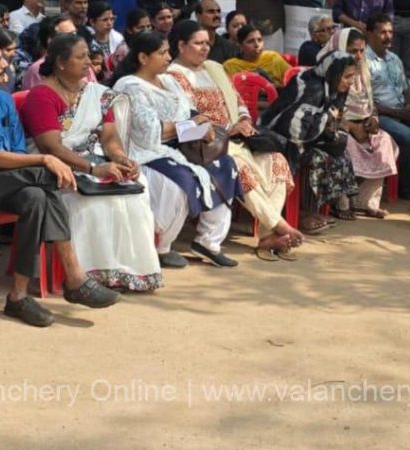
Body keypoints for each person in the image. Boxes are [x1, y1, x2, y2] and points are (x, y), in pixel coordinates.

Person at [0, 32, 121, 326]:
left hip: (5, 176)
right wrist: (41, 158)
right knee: (48, 171)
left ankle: (19, 296)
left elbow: (13, 148)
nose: (5, 63)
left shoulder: (2, 99)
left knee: (36, 196)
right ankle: (74, 277)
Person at [20, 33, 163, 290]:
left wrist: (120, 158)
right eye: (81, 56)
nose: (89, 61)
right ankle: (87, 275)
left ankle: (128, 272)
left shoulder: (96, 94)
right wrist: (94, 168)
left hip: (95, 158)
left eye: (89, 55)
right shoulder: (41, 96)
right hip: (56, 165)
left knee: (134, 185)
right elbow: (51, 146)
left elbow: (109, 136)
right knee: (88, 196)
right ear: (61, 63)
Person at [167, 20, 302, 258]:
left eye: (207, 43)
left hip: (237, 138)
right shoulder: (175, 76)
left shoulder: (213, 69)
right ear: (181, 45)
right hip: (206, 144)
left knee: (277, 161)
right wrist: (229, 128)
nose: (205, 48)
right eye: (198, 43)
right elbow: (189, 117)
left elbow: (237, 100)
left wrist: (244, 121)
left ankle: (268, 233)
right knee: (239, 168)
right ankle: (280, 227)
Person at [112, 31, 240, 268]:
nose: (168, 57)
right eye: (162, 53)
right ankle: (162, 246)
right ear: (143, 58)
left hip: (182, 144)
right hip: (147, 150)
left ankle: (209, 242)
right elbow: (149, 132)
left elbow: (187, 112)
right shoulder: (130, 86)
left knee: (225, 165)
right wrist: (193, 126)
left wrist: (203, 127)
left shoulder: (169, 80)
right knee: (182, 180)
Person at [260, 50, 359, 225]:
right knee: (317, 159)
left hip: (308, 137)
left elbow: (331, 120)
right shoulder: (311, 86)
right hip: (283, 138)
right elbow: (292, 124)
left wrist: (332, 129)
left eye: (352, 76)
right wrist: (327, 118)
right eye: (347, 77)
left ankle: (331, 206)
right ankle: (303, 213)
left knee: (342, 152)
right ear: (333, 73)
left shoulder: (335, 88)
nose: (350, 82)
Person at [327, 28, 398, 218]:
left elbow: (370, 104)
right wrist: (351, 128)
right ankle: (341, 202)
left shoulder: (364, 72)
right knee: (344, 144)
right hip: (336, 126)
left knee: (384, 141)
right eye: (352, 51)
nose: (358, 56)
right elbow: (327, 110)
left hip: (362, 126)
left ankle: (366, 201)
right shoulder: (331, 71)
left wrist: (373, 120)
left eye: (361, 50)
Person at [365, 13, 410, 200]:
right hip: (380, 115)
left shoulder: (394, 59)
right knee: (409, 138)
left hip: (402, 112)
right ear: (370, 34)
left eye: (391, 32)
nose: (388, 37)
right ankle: (404, 187)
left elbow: (404, 89)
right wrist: (400, 112)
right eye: (383, 32)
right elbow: (367, 103)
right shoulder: (364, 61)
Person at [21, 14, 84, 91]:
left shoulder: (84, 63)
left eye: (75, 33)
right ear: (51, 40)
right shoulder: (36, 70)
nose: (76, 39)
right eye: (69, 35)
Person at [223, 25, 290, 89]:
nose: (257, 45)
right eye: (251, 41)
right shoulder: (231, 66)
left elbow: (294, 79)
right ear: (240, 46)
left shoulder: (273, 58)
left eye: (260, 40)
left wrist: (273, 87)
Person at [196, 0, 239, 64]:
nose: (217, 15)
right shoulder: (191, 45)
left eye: (218, 11)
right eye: (211, 12)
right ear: (198, 16)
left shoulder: (227, 46)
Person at [110, 8, 152, 72]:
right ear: (129, 30)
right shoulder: (123, 50)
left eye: (148, 26)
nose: (146, 31)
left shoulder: (153, 44)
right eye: (141, 27)